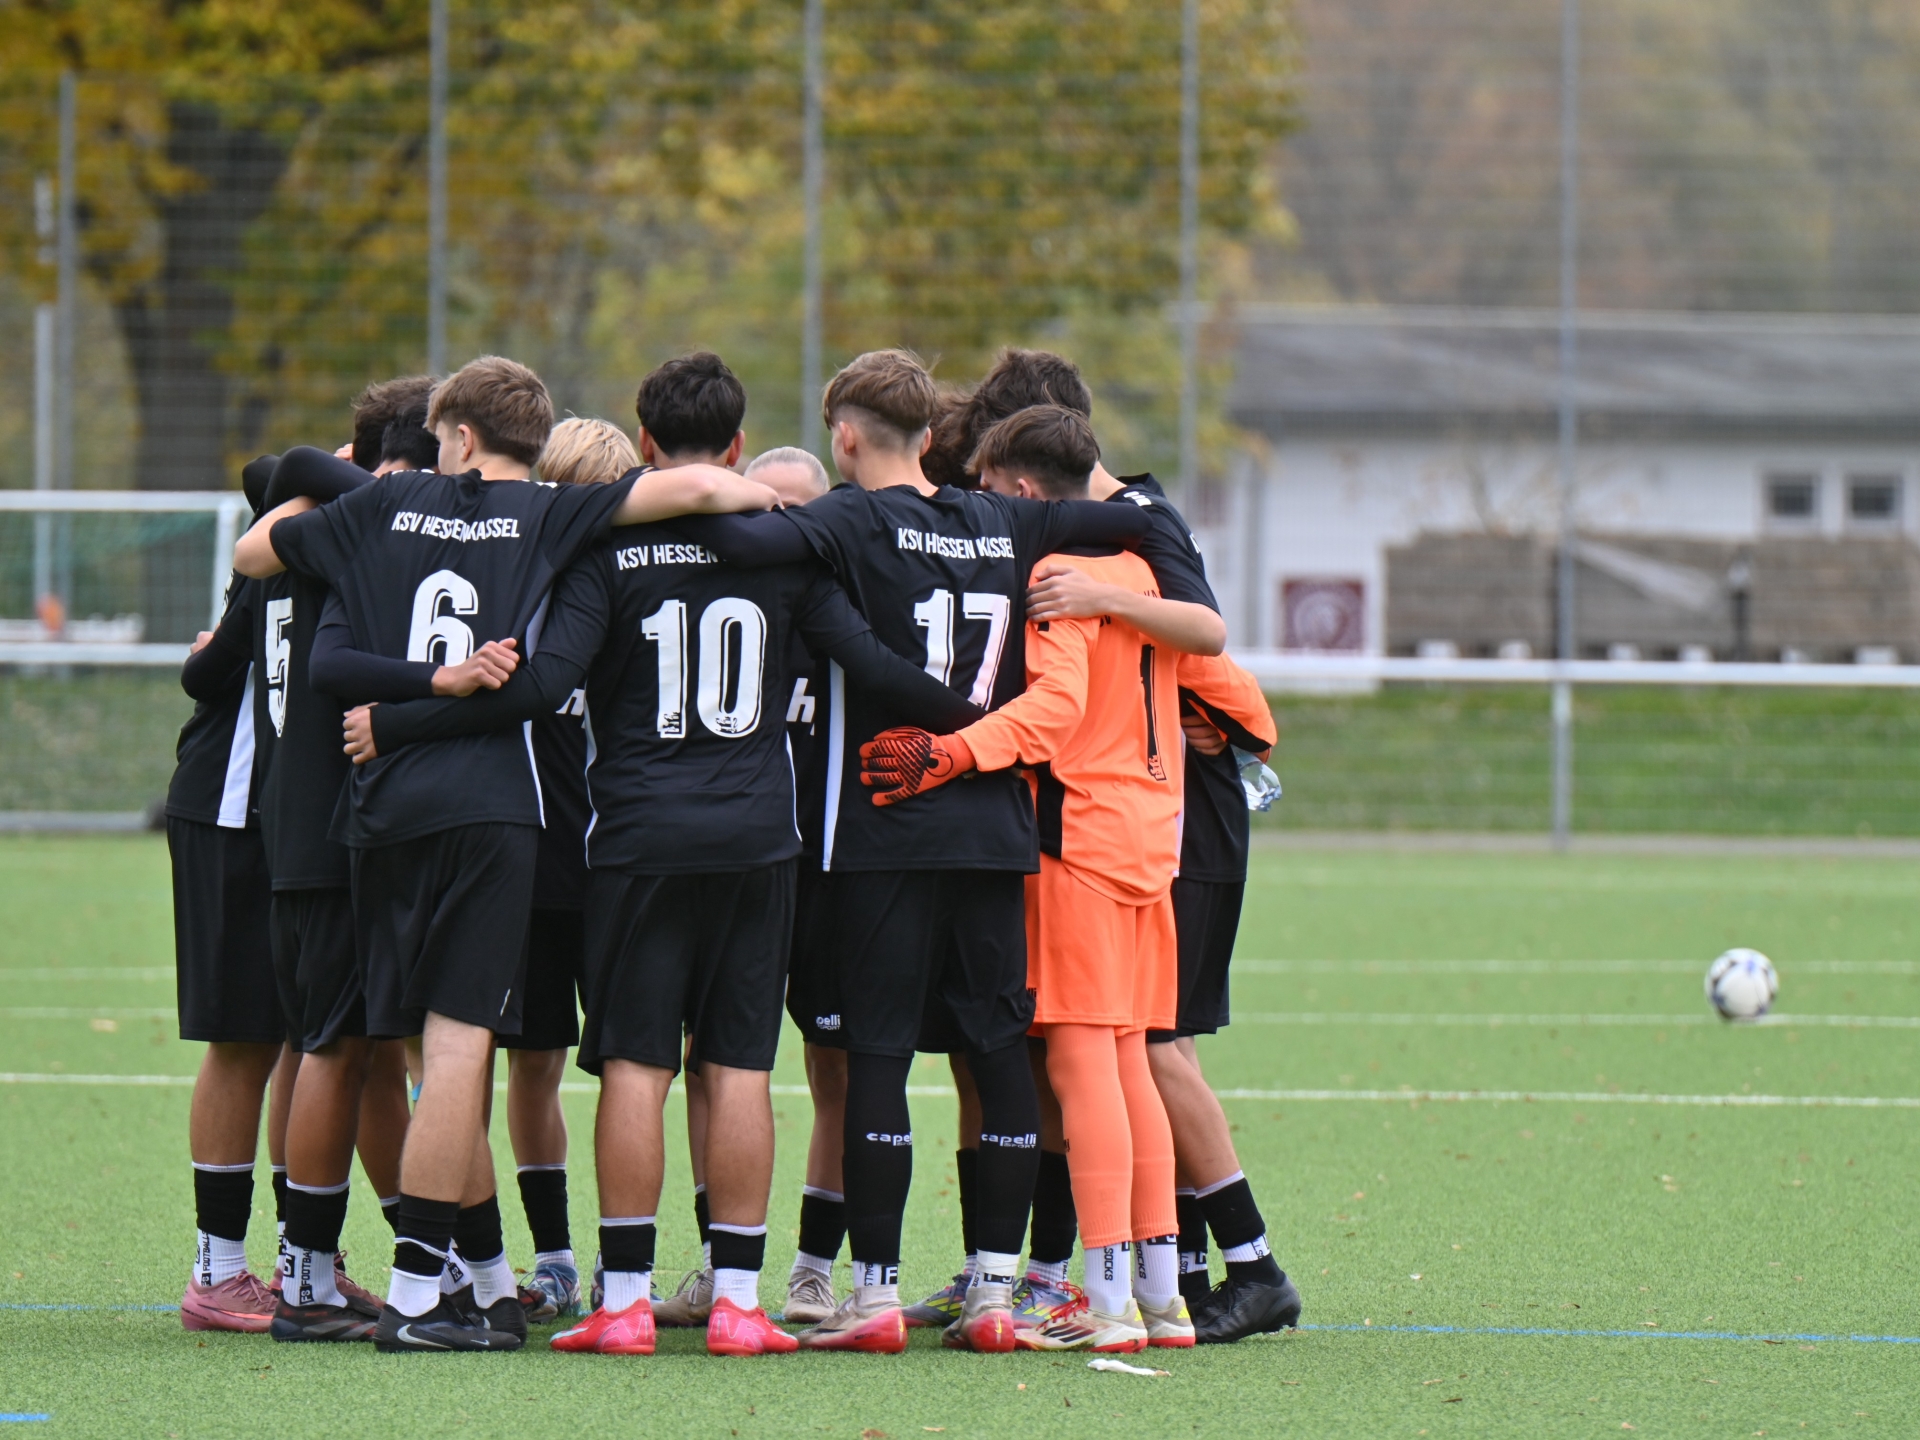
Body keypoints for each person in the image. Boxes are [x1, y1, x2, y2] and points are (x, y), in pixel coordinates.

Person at [232, 354, 781, 1353]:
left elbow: (258, 554)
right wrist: (785, 509)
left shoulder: (377, 510)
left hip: (379, 811)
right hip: (494, 809)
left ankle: (469, 1282)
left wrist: (353, 493)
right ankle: (418, 1296)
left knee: (402, 1051)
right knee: (461, 1051)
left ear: (458, 434)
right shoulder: (549, 515)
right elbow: (701, 488)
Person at [668, 350, 1152, 1354]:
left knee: (878, 1055)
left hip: (885, 823)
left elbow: (734, 538)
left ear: (844, 437)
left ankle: (876, 1296)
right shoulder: (1004, 519)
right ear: (932, 436)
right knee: (996, 1051)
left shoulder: (845, 519)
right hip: (993, 827)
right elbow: (1133, 523)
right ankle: (994, 1294)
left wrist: (743, 496)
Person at [862, 405, 1196, 1352]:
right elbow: (1232, 688)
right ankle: (1162, 1297)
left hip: (1080, 838)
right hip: (1152, 839)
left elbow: (1053, 713)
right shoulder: (1146, 574)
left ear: (1017, 489)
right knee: (1129, 1065)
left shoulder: (1056, 575)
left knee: (1086, 1069)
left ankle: (1107, 1303)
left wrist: (951, 753)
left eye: (988, 487)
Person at [503, 416, 644, 1325]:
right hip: (556, 860)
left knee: (627, 1067)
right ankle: (564, 1258)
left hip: (615, 860)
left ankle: (613, 1260)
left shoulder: (640, 585)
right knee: (543, 1063)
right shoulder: (522, 590)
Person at [171, 456, 294, 1334]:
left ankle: (305, 1259)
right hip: (231, 807)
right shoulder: (283, 547)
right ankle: (217, 1269)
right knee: (244, 1038)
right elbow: (207, 676)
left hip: (288, 816)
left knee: (301, 1041)